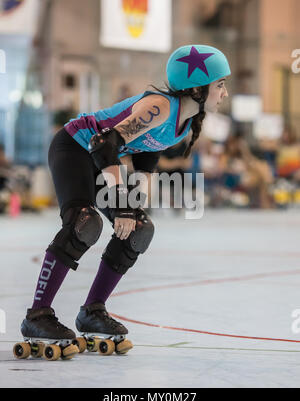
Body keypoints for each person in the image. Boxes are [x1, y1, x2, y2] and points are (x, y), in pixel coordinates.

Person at [18, 45, 231, 356]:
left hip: (100, 158)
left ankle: (92, 312)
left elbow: (147, 158)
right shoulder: (161, 106)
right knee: (83, 222)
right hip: (76, 147)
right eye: (220, 85)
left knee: (139, 229)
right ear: (197, 88)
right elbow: (103, 144)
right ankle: (37, 316)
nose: (224, 93)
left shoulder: (184, 120)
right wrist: (122, 204)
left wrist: (133, 208)